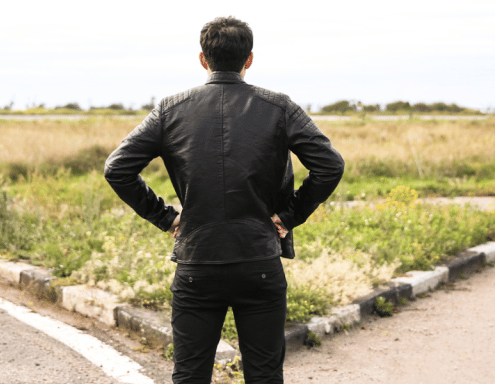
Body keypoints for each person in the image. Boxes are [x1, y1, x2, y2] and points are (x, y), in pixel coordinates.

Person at [104, 16, 344, 384]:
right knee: (264, 374)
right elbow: (330, 166)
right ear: (249, 59)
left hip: (198, 262)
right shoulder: (280, 107)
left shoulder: (170, 109)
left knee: (189, 374)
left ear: (203, 59)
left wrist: (166, 218)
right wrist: (289, 216)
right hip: (259, 260)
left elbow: (117, 168)